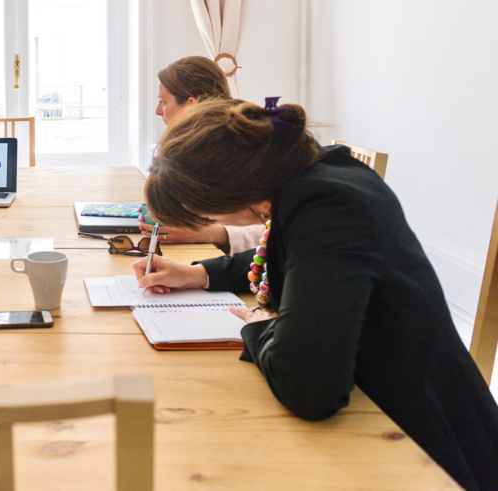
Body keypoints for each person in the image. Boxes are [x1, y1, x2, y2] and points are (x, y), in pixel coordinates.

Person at [135, 98, 498, 491]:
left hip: (422, 443)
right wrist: (198, 274)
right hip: (384, 406)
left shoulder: (328, 207)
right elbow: (292, 257)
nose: (211, 222)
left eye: (207, 213)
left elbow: (310, 389)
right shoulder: (316, 174)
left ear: (235, 194)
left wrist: (260, 330)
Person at [138, 56, 262, 256]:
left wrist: (211, 233)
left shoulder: (246, 151)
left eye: (163, 101)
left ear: (191, 105)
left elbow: (281, 235)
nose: (157, 111)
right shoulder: (190, 152)